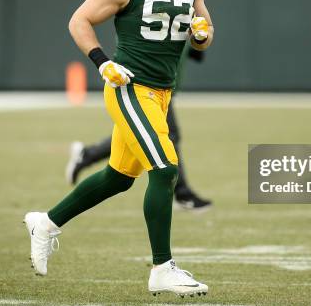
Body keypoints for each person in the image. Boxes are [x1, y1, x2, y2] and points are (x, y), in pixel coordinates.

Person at [24, 0, 213, 297]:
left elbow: (204, 32)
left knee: (118, 178)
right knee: (164, 168)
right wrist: (102, 61)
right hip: (130, 87)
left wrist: (202, 33)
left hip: (162, 92)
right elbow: (79, 21)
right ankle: (162, 267)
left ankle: (46, 222)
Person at [65, 47, 212, 212]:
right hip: (147, 86)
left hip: (163, 86)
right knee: (164, 136)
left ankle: (87, 154)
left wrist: (198, 38)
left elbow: (197, 49)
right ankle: (182, 192)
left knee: (139, 135)